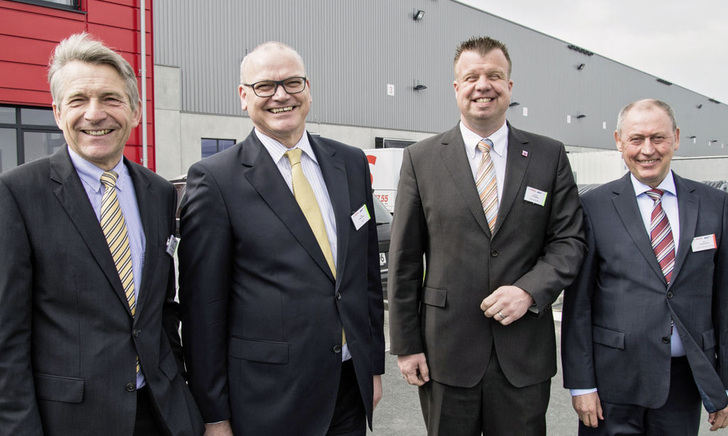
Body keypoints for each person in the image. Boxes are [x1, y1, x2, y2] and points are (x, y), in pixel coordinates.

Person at [0, 33, 204, 436]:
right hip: (73, 419)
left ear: (135, 110)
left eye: (110, 99)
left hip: (162, 411)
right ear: (58, 113)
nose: (95, 114)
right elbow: (8, 336)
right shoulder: (18, 193)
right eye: (78, 100)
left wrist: (179, 385)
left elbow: (162, 307)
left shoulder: (159, 192)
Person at [178, 41, 385, 436]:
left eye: (292, 83)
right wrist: (214, 415)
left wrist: (372, 367)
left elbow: (365, 281)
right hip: (268, 399)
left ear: (308, 88)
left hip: (347, 387)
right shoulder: (215, 180)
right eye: (265, 86)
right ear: (243, 96)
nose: (281, 96)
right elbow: (203, 312)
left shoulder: (351, 163)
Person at [387, 35, 586, 435]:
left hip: (523, 355)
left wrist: (528, 291)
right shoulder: (421, 159)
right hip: (446, 354)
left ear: (509, 87)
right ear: (456, 88)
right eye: (472, 76)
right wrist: (406, 345)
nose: (483, 85)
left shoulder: (549, 156)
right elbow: (405, 259)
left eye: (494, 75)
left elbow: (569, 241)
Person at [561, 99, 728, 435]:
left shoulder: (715, 205)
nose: (647, 150)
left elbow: (724, 300)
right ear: (619, 141)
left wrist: (723, 384)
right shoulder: (593, 206)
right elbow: (578, 304)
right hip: (611, 383)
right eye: (636, 139)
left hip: (683, 380)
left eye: (658, 138)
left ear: (676, 138)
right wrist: (581, 385)